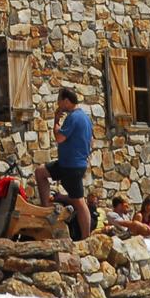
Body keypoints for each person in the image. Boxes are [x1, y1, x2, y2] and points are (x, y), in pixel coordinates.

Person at [52, 87, 93, 241]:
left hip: (71, 165)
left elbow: (59, 138)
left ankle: (85, 238)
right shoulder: (85, 118)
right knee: (41, 172)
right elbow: (91, 141)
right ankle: (45, 209)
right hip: (72, 163)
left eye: (60, 101)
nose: (58, 104)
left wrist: (56, 121)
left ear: (67, 101)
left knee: (80, 202)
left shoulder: (73, 117)